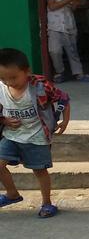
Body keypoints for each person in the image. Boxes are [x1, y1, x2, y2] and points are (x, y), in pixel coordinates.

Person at [0, 48, 70, 218]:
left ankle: (47, 203)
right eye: (3, 78)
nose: (9, 82)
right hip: (11, 135)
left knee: (39, 171)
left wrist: (65, 120)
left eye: (14, 77)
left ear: (27, 71)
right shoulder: (1, 87)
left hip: (37, 137)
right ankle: (12, 194)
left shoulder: (40, 85)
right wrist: (4, 120)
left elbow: (63, 98)